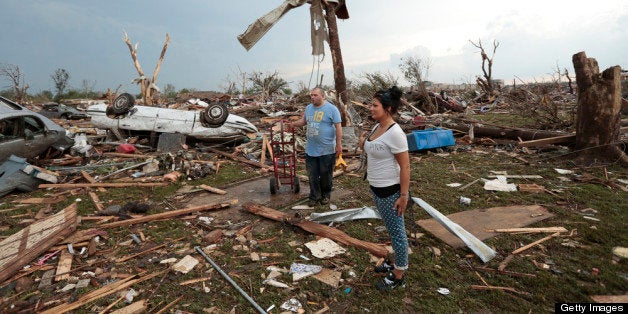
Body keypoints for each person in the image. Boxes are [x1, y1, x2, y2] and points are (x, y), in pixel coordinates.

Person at [360, 86, 411, 290]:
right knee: (392, 230)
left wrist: (404, 196)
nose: (370, 108)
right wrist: (362, 142)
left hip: (391, 192)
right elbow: (373, 149)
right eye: (371, 104)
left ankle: (398, 275)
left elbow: (405, 166)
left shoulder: (395, 133)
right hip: (377, 188)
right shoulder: (377, 126)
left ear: (388, 108)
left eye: (375, 105)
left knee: (398, 233)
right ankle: (394, 261)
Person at [291, 87, 342, 206]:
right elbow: (304, 121)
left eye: (315, 95)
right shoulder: (309, 108)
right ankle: (314, 196)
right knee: (312, 174)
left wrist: (339, 144)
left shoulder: (331, 109)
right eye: (311, 95)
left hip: (327, 149)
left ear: (322, 96)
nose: (312, 97)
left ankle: (325, 195)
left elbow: (338, 127)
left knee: (325, 174)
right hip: (311, 149)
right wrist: (293, 124)